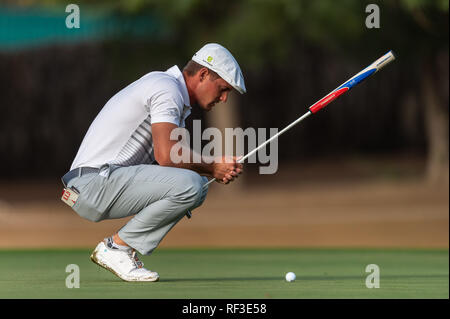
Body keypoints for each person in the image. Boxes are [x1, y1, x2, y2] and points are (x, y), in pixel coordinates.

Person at [60, 43, 245, 282]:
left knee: (195, 185)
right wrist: (212, 168)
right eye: (223, 89)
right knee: (191, 185)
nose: (224, 98)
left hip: (91, 184)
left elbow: (167, 165)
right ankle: (116, 248)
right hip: (92, 183)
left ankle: (120, 248)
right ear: (203, 74)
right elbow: (166, 156)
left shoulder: (168, 91)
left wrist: (211, 172)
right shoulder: (166, 89)